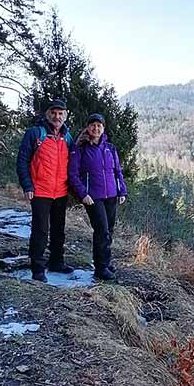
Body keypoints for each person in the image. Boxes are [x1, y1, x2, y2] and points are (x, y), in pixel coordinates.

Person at [16, 99, 75, 282]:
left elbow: (74, 162)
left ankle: (57, 262)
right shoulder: (35, 133)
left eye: (60, 113)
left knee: (59, 230)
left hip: (61, 191)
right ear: (47, 114)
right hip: (40, 191)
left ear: (65, 116)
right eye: (54, 113)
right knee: (40, 230)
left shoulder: (68, 137)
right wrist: (27, 186)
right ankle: (38, 269)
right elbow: (22, 161)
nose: (57, 117)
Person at [68, 112, 127, 282]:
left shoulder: (110, 148)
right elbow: (73, 174)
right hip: (93, 197)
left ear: (103, 128)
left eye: (99, 125)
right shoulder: (80, 149)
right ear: (88, 128)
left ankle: (105, 262)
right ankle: (100, 268)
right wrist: (83, 194)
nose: (96, 128)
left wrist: (122, 190)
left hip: (111, 195)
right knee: (101, 230)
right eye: (92, 125)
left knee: (109, 230)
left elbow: (117, 171)